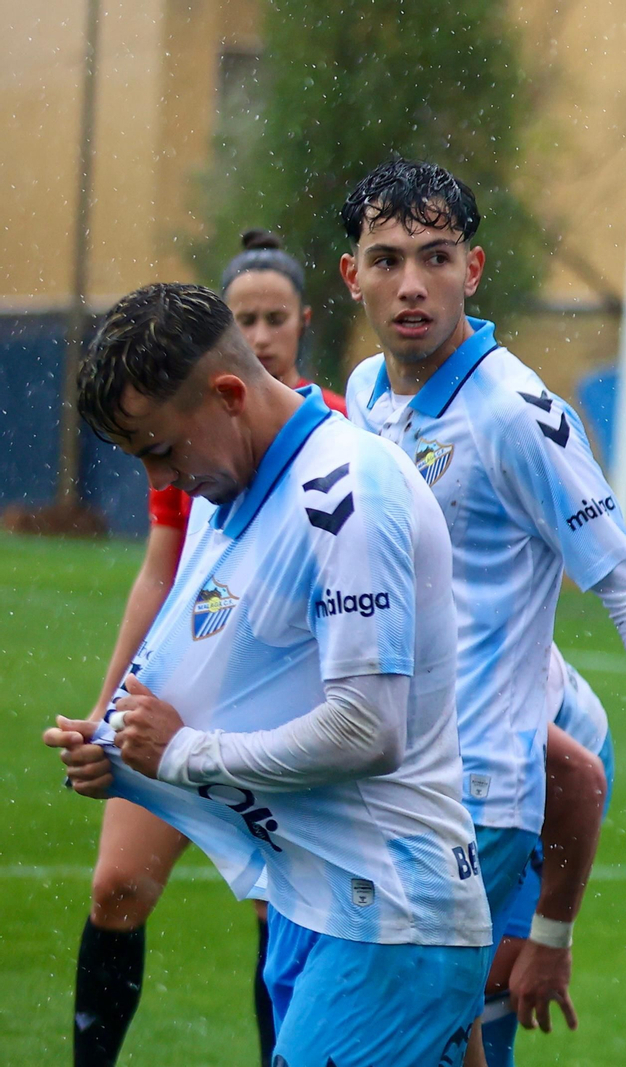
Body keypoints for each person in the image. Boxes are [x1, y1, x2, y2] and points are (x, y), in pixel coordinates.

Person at [338, 157, 626, 1062]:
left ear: (472, 271)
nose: (413, 284)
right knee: (444, 1035)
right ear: (352, 274)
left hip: (474, 788)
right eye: (389, 258)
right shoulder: (365, 393)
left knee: (380, 1036)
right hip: (383, 769)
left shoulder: (515, 412)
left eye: (437, 257)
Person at [45, 282, 492, 1064]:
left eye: (158, 450)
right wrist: (112, 745)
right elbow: (212, 673)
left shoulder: (349, 492)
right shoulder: (234, 490)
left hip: (386, 913)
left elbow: (367, 729)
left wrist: (178, 753)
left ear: (226, 394)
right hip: (315, 902)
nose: (157, 482)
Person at [72, 231, 347, 1067]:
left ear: (302, 321)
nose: (261, 333)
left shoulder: (337, 441)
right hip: (176, 695)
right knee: (117, 885)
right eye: (244, 318)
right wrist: (108, 707)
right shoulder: (187, 441)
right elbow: (163, 576)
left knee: (286, 910)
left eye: (274, 318)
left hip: (272, 713)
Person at [482, 646, 615, 1063]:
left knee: (484, 969)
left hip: (554, 768)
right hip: (476, 757)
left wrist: (550, 939)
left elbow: (581, 778)